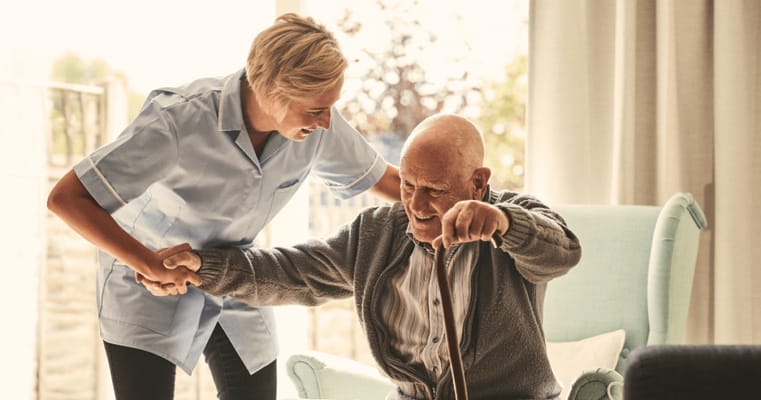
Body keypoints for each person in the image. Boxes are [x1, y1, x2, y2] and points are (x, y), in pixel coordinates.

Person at [46, 13, 401, 400]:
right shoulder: (179, 120)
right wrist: (146, 262)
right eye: (316, 110)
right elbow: (67, 198)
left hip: (234, 275)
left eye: (330, 107)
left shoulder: (315, 127)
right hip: (147, 280)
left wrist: (467, 204)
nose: (326, 121)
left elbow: (393, 182)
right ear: (274, 91)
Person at [154, 114, 583, 399]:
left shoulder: (513, 220)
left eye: (435, 190)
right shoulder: (377, 234)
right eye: (408, 185)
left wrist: (503, 223)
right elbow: (292, 272)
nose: (416, 204)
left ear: (478, 181)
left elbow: (562, 252)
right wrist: (204, 266)